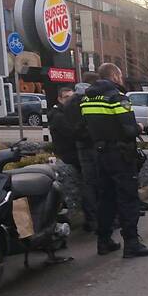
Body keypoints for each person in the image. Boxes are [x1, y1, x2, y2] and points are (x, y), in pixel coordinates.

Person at [80, 63, 148, 258]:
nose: (121, 79)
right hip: (120, 154)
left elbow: (85, 127)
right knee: (128, 198)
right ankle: (132, 243)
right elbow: (128, 129)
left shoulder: (86, 99)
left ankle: (103, 241)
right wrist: (139, 127)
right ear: (114, 75)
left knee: (105, 199)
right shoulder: (116, 98)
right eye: (120, 75)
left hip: (100, 154)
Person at [50, 86, 98, 229]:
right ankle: (92, 218)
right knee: (89, 184)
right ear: (59, 99)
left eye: (72, 97)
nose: (70, 100)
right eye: (66, 97)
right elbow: (73, 134)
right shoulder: (59, 115)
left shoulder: (68, 112)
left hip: (75, 152)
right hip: (70, 154)